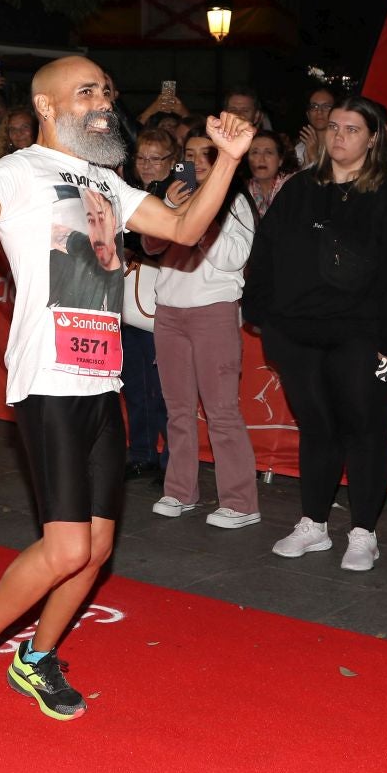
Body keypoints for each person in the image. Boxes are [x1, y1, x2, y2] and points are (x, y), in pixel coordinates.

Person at [0, 57, 253, 720]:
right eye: (87, 91)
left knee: (98, 548)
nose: (104, 101)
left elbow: (185, 230)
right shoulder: (20, 170)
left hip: (100, 379)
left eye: (108, 89)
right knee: (67, 546)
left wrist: (226, 161)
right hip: (48, 379)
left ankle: (35, 658)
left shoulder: (108, 182)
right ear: (48, 106)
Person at [243, 94, 387, 572]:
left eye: (352, 129)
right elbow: (264, 252)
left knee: (365, 431)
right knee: (317, 430)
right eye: (335, 128)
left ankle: (364, 531)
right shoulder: (300, 188)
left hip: (363, 334)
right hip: (298, 332)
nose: (340, 136)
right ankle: (314, 523)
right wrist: (263, 316)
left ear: (373, 138)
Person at [146, 126, 259, 530]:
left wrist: (201, 219)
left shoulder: (234, 202)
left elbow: (231, 259)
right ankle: (180, 490)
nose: (195, 161)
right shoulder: (175, 191)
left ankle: (241, 501)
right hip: (169, 311)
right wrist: (168, 211)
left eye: (204, 154)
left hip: (214, 310)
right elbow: (151, 246)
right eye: (189, 154)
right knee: (177, 409)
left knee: (221, 409)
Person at [121, 129, 182, 480]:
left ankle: (172, 460)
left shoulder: (176, 197)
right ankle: (142, 452)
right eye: (141, 157)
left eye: (155, 158)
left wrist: (134, 246)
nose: (146, 165)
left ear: (171, 162)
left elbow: (174, 243)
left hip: (163, 305)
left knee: (165, 393)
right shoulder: (127, 193)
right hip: (129, 304)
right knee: (136, 387)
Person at [244, 130, 289, 216]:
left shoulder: (292, 187)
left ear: (280, 160)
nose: (261, 159)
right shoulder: (242, 193)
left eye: (268, 153)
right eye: (255, 152)